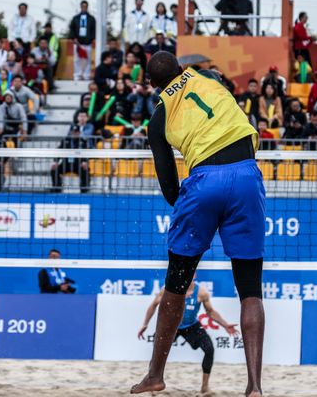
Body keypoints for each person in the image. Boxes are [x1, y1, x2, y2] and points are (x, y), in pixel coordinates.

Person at [131, 51, 264, 396]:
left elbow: (169, 185)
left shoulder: (158, 117)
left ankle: (155, 376)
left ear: (152, 85)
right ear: (181, 69)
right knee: (250, 289)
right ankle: (254, 387)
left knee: (176, 284)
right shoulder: (211, 79)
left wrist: (191, 207)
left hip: (203, 179)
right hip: (247, 174)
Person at [137, 275, 239, 395]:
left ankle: (205, 387)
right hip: (171, 326)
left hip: (191, 325)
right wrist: (145, 324)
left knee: (209, 349)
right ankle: (152, 384)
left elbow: (210, 311)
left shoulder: (201, 292)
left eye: (191, 272)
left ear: (194, 275)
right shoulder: (168, 289)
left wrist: (225, 325)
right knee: (157, 353)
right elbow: (154, 305)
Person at [50, 118, 93, 193]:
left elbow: (86, 153)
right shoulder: (65, 140)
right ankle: (57, 188)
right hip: (66, 163)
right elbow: (58, 152)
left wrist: (85, 162)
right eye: (73, 132)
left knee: (86, 169)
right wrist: (55, 162)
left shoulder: (83, 142)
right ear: (71, 132)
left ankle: (85, 189)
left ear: (79, 133)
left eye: (76, 132)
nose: (74, 133)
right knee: (54, 169)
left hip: (78, 164)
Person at [69, 0, 97, 80]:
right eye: (82, 6)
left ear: (87, 7)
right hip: (78, 42)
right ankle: (77, 74)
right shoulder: (75, 18)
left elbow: (93, 30)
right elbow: (72, 28)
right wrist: (73, 38)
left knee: (87, 59)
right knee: (77, 59)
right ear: (80, 7)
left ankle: (86, 75)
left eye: (85, 6)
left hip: (88, 42)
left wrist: (92, 39)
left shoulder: (91, 19)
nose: (84, 8)